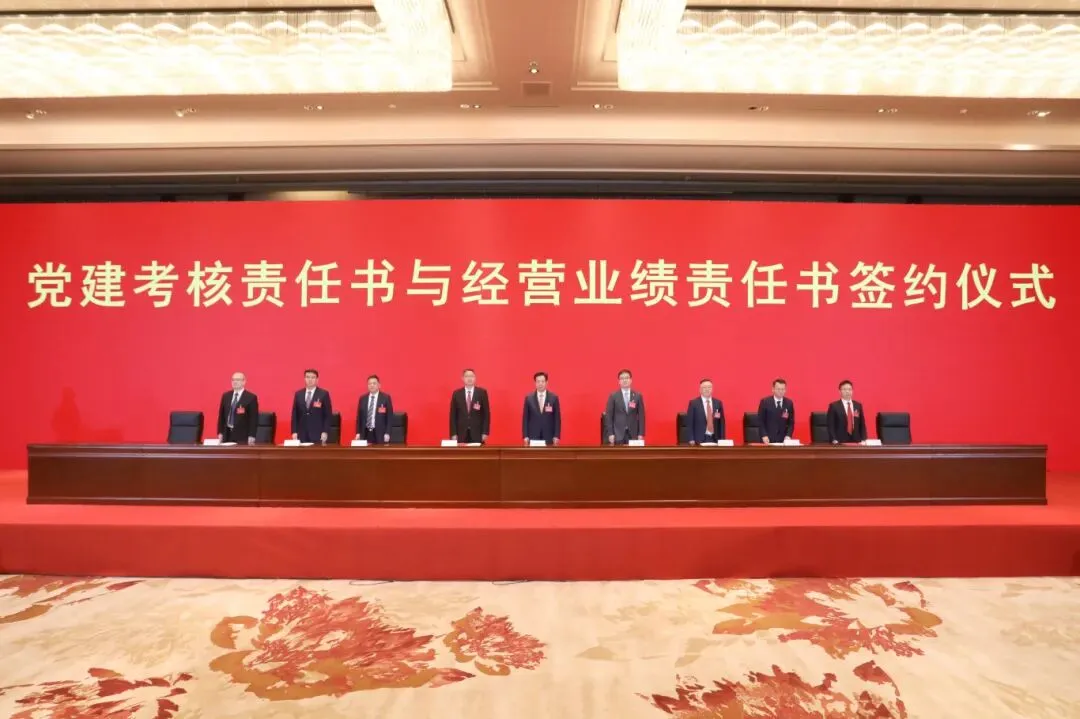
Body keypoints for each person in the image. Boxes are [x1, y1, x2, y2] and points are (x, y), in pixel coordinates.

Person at [291, 368, 333, 445]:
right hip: (301, 434)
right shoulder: (298, 394)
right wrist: (294, 431)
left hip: (318, 434)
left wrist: (325, 431)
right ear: (304, 379)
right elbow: (295, 414)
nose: (310, 380)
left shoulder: (323, 394)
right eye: (307, 377)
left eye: (313, 377)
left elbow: (328, 415)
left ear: (317, 379)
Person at [604, 368, 645, 444]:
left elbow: (641, 416)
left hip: (633, 434)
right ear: (619, 381)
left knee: (634, 452)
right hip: (617, 434)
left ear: (631, 380)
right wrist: (610, 433)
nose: (624, 380)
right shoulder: (613, 396)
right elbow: (609, 416)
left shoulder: (637, 396)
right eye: (622, 378)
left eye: (627, 378)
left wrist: (641, 434)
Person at [216, 371, 259, 445]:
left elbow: (253, 419)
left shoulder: (251, 397)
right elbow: (221, 416)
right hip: (227, 434)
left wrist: (252, 435)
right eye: (233, 380)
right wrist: (220, 432)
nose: (235, 382)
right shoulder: (226, 396)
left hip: (243, 436)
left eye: (238, 380)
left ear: (244, 382)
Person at [449, 368, 490, 444]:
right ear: (462, 378)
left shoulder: (482, 393)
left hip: (477, 433)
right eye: (467, 376)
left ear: (475, 378)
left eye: (471, 376)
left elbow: (486, 414)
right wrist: (453, 433)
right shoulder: (456, 394)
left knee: (477, 452)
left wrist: (485, 432)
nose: (469, 378)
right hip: (461, 433)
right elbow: (453, 415)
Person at [522, 371, 561, 446]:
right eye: (538, 381)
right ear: (535, 383)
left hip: (549, 436)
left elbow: (557, 419)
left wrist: (556, 436)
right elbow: (525, 418)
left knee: (549, 454)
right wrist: (525, 436)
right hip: (533, 436)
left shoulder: (553, 398)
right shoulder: (528, 398)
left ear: (546, 382)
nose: (540, 384)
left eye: (542, 381)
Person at [355, 374, 394, 444]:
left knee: (379, 451)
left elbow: (389, 417)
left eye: (374, 383)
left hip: (380, 433)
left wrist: (388, 433)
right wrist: (358, 432)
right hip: (365, 433)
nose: (372, 385)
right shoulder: (363, 398)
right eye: (369, 384)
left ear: (379, 385)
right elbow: (359, 417)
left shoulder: (385, 398)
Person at [827, 379, 867, 444]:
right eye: (844, 389)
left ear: (852, 391)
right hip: (839, 441)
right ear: (839, 391)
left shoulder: (858, 405)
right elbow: (831, 425)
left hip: (856, 441)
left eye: (849, 389)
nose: (847, 391)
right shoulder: (834, 406)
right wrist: (834, 439)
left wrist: (864, 439)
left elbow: (862, 424)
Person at [686, 378, 724, 445]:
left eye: (709, 387)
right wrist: (691, 438)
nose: (707, 389)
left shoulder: (718, 403)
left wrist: (722, 439)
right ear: (700, 390)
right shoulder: (694, 403)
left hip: (715, 438)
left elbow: (721, 422)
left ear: (712, 389)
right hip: (699, 439)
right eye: (704, 387)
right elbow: (689, 423)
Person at [757, 378, 795, 444]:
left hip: (784, 441)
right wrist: (764, 435)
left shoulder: (789, 403)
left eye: (783, 389)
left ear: (785, 390)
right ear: (773, 389)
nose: (781, 391)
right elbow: (760, 421)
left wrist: (788, 435)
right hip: (767, 440)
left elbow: (791, 422)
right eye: (778, 389)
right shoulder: (765, 402)